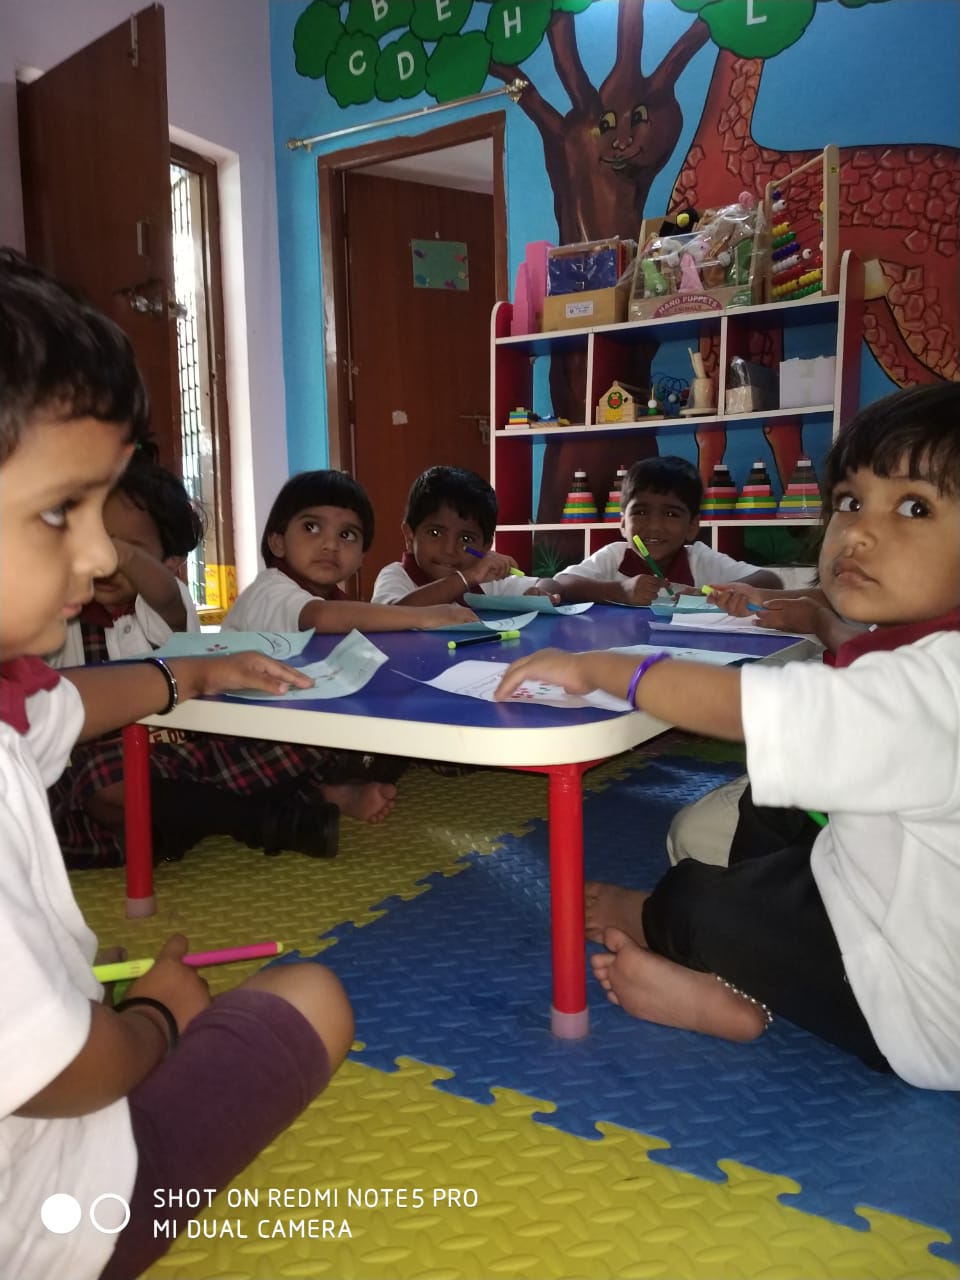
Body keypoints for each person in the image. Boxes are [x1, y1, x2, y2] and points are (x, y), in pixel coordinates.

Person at [0, 248, 354, 1280]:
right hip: (56, 1216)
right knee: (313, 994)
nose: (104, 554)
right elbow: (65, 1069)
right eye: (63, 509)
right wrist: (155, 1016)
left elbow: (64, 704)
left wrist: (187, 678)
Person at [495, 383, 960, 1090]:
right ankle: (733, 948)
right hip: (876, 892)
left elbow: (750, 706)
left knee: (695, 895)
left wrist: (607, 669)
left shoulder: (935, 686)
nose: (860, 531)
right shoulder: (916, 650)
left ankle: (716, 977)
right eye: (849, 501)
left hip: (916, 1011)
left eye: (914, 507)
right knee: (775, 799)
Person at [46, 451, 399, 865]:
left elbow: (163, 596)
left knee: (306, 739)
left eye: (130, 551)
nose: (105, 561)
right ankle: (259, 820)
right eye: (96, 545)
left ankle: (243, 811)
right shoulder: (60, 617)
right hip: (112, 770)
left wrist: (123, 556)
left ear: (170, 563)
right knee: (100, 782)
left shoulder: (162, 601)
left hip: (186, 751)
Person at [223, 468, 479, 629]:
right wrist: (425, 617)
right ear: (277, 542)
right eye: (311, 527)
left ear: (361, 558)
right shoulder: (270, 590)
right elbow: (319, 617)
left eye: (347, 534)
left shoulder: (334, 598)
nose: (331, 545)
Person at [553, 456, 782, 606]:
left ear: (692, 527)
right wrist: (619, 591)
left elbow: (770, 581)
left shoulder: (699, 559)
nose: (654, 525)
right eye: (641, 512)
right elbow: (557, 584)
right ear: (623, 524)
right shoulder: (614, 556)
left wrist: (709, 596)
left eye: (671, 514)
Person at [371, 465, 561, 605]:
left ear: (486, 547)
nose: (449, 550)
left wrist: (539, 594)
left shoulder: (486, 581)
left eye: (466, 539)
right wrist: (465, 578)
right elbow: (391, 615)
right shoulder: (396, 576)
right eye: (435, 533)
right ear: (409, 535)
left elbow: (548, 584)